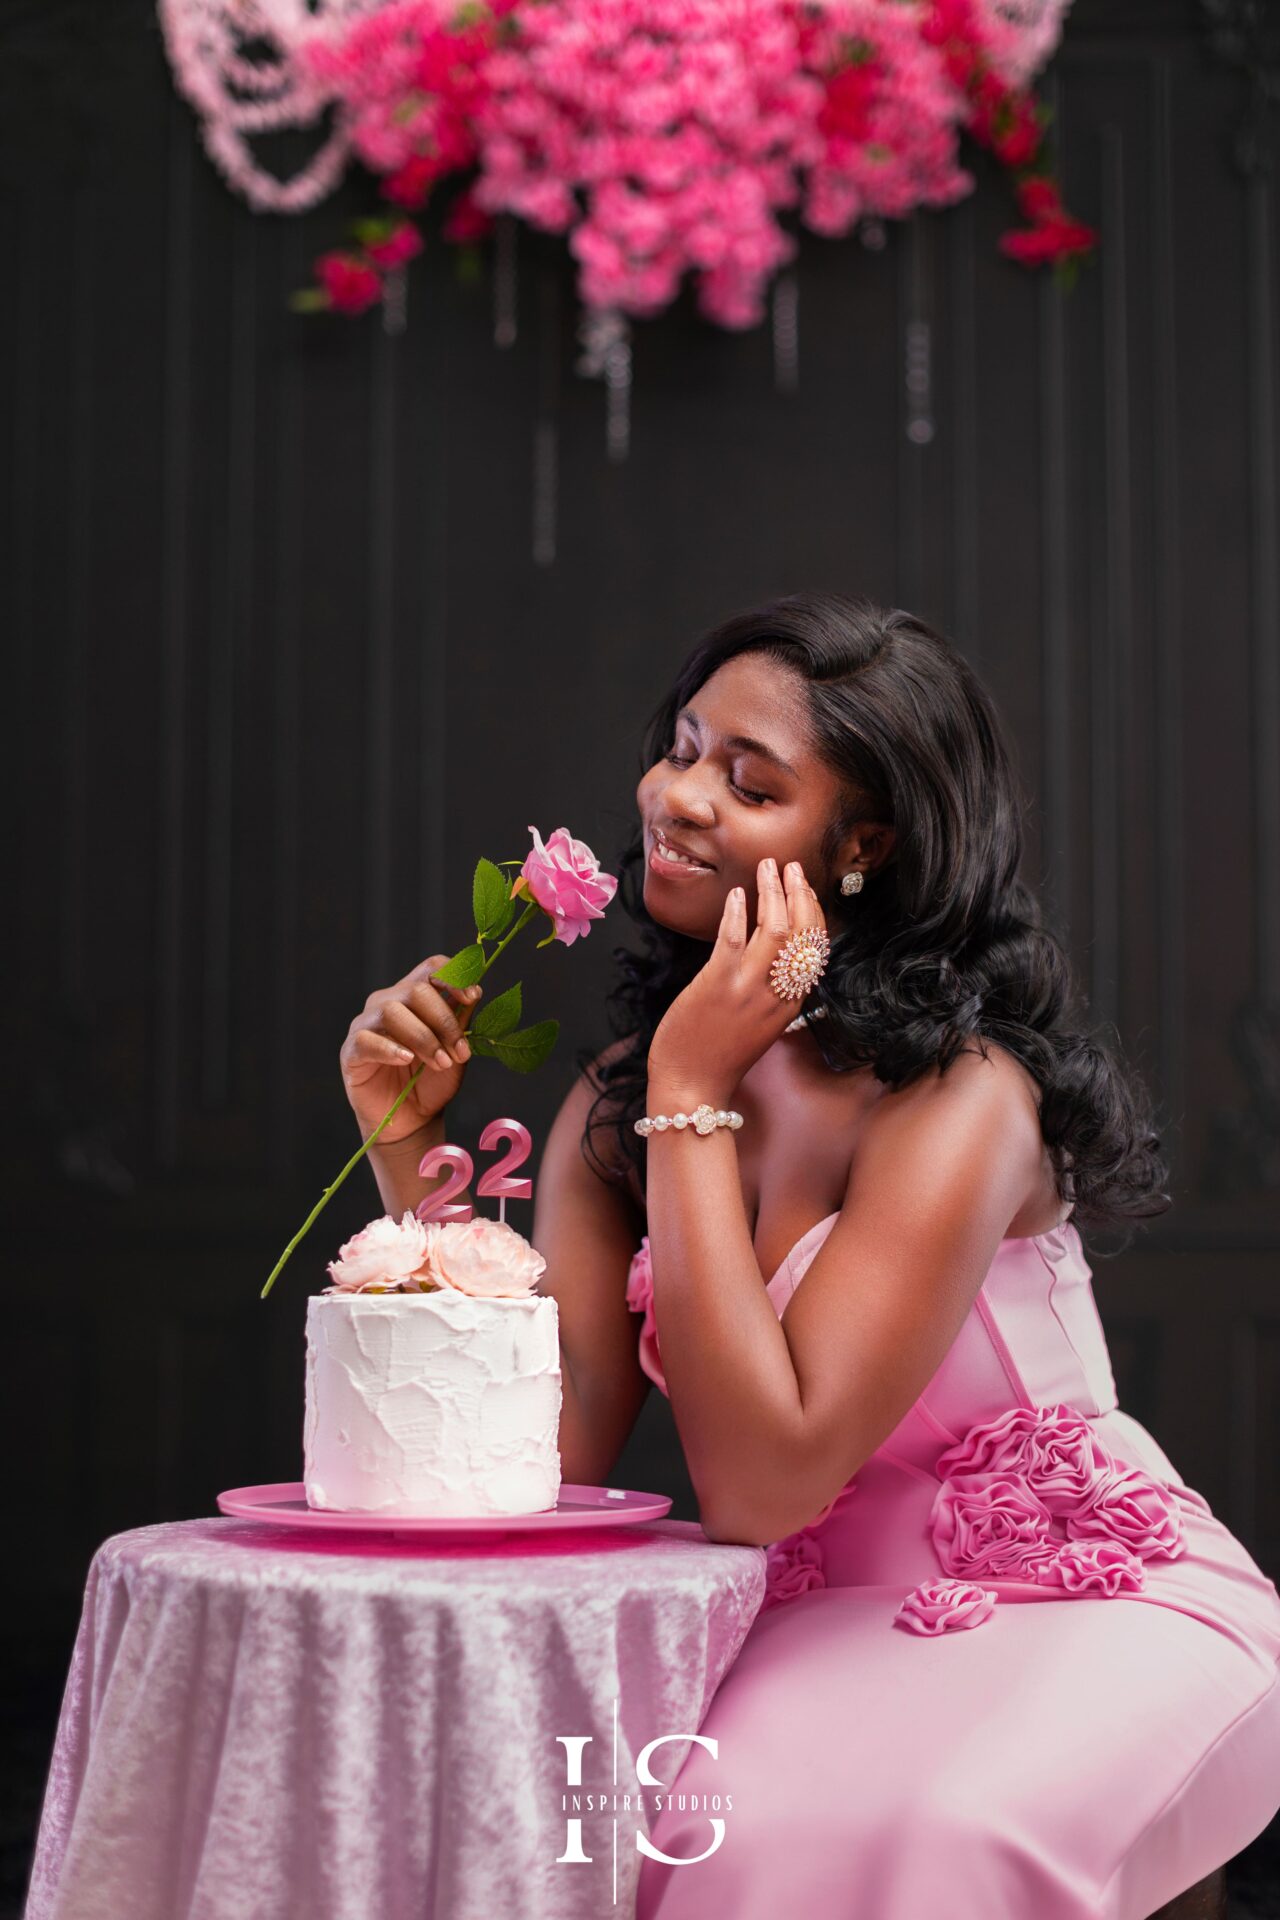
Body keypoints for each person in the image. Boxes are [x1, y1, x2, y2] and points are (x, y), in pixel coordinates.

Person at [342, 592, 1280, 1918]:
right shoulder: (622, 1108)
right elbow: (537, 1467)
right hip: (816, 1626)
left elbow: (766, 1481)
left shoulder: (959, 1099)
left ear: (860, 847)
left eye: (749, 781)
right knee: (670, 1844)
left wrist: (690, 1084)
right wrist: (406, 1150)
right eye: (681, 745)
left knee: (941, 1834)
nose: (678, 795)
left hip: (1084, 1601)